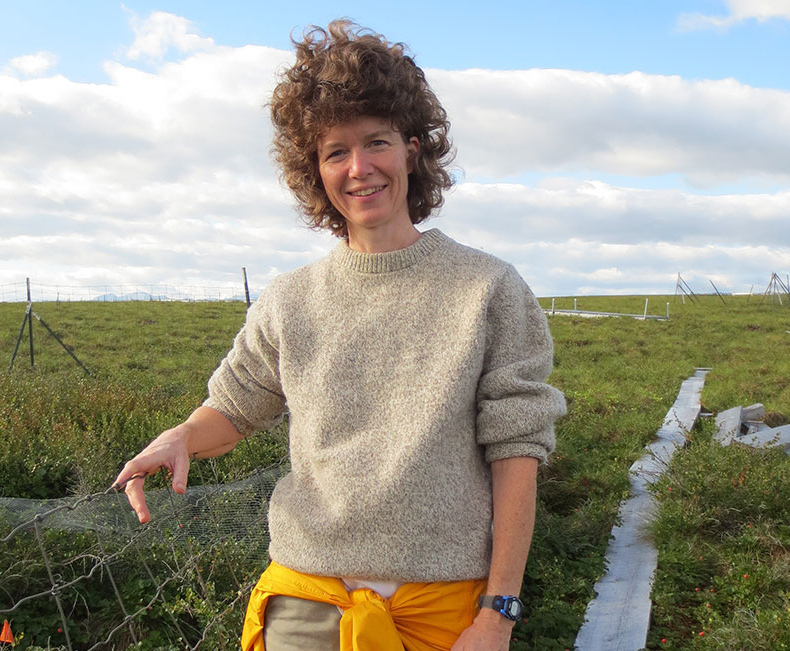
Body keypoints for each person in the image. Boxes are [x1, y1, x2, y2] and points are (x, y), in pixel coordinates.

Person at [114, 20, 566, 651]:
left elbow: (518, 453)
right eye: (335, 152)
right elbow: (238, 406)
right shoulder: (290, 299)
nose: (359, 168)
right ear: (316, 171)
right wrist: (184, 436)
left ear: (411, 148)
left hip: (442, 611)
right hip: (306, 601)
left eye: (376, 142)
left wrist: (499, 613)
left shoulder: (489, 289)